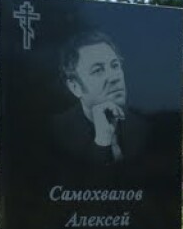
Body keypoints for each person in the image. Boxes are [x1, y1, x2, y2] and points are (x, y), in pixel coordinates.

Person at [57, 29, 133, 165]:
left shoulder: (146, 127)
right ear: (75, 87)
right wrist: (102, 142)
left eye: (115, 65)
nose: (114, 78)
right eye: (98, 70)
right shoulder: (56, 134)